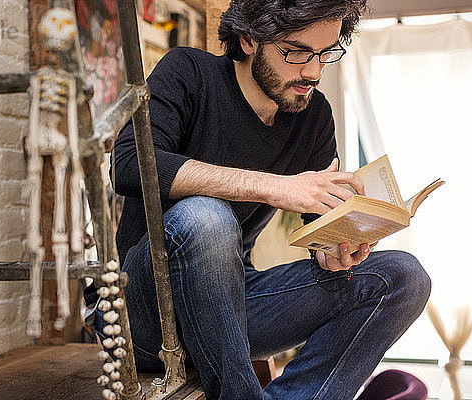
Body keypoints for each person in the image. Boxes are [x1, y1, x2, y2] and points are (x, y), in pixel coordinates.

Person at [95, 0, 432, 398]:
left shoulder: (313, 115)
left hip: (233, 306)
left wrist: (335, 249)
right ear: (249, 38)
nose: (313, 71)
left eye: (326, 53)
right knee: (205, 217)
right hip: (148, 316)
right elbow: (130, 163)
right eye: (297, 52)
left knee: (403, 277)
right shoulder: (189, 72)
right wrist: (276, 186)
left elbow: (318, 226)